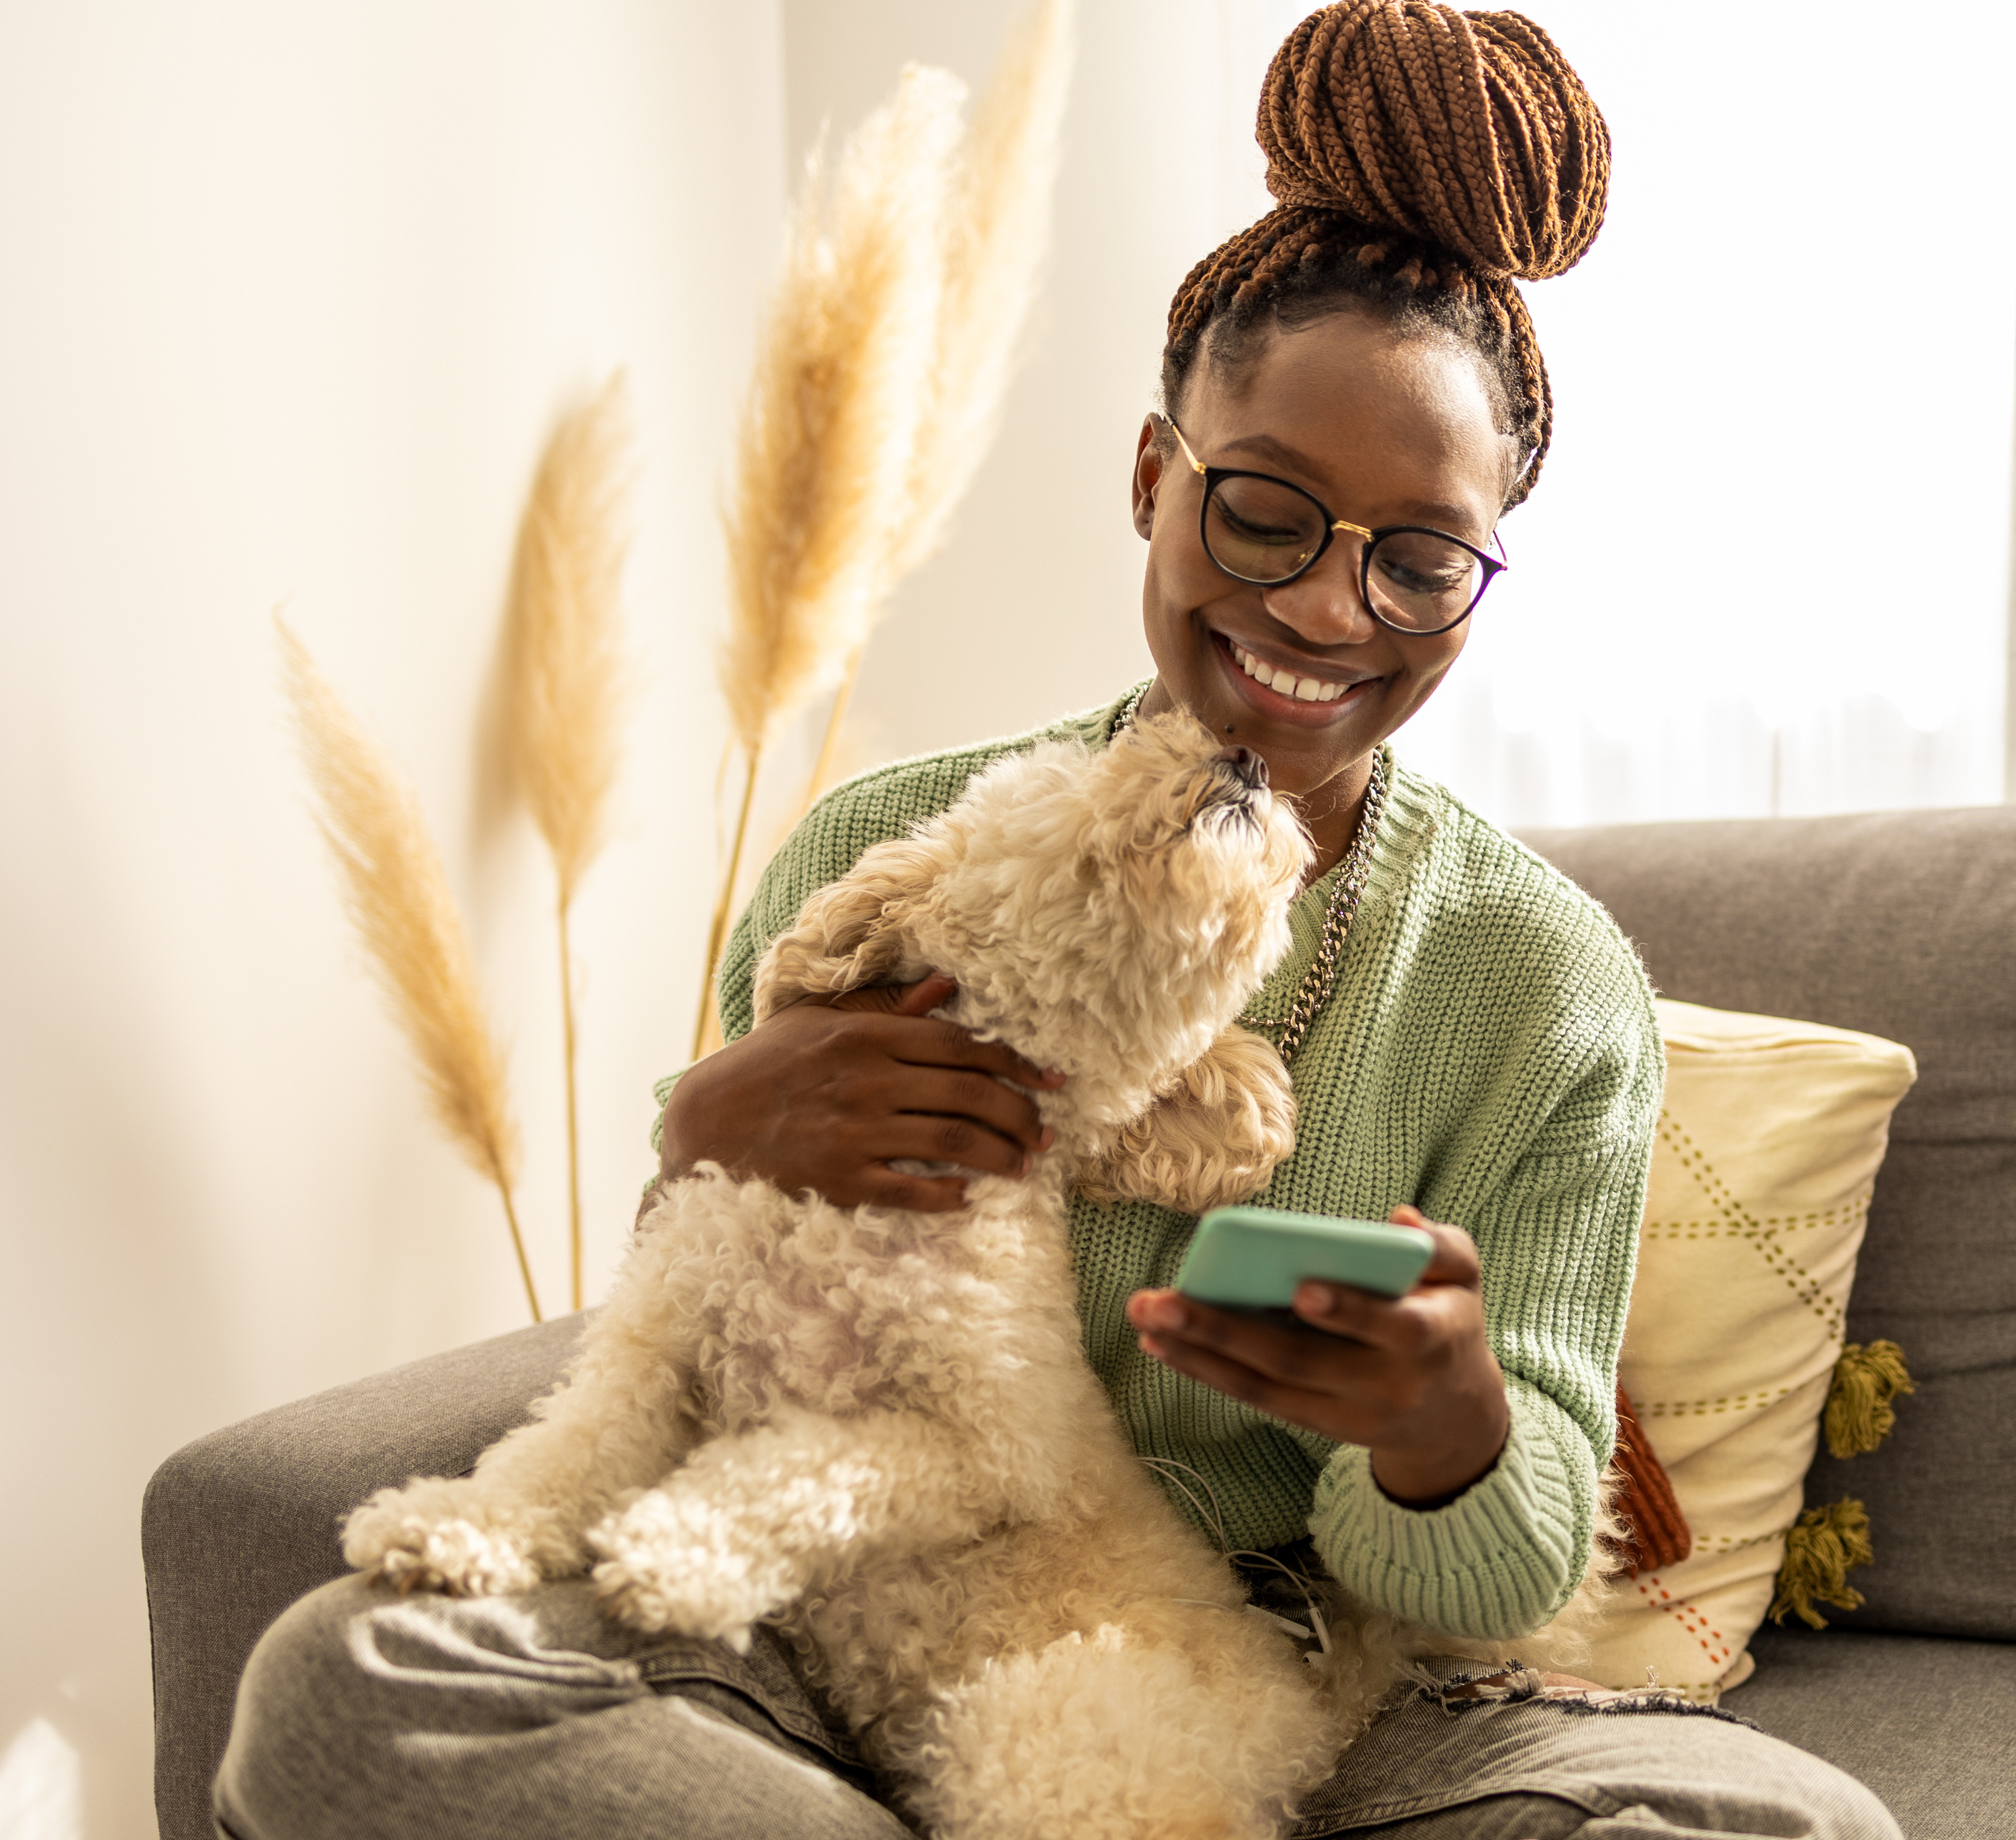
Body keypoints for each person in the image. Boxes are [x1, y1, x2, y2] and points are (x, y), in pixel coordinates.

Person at [215, 4, 1900, 1836]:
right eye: (1265, 512)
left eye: (1419, 554)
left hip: (1292, 1686)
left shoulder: (1547, 984)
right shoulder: (891, 844)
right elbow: (715, 1319)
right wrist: (698, 1128)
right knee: (349, 1678)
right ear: (1155, 479)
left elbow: (1493, 1579)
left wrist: (1442, 1436)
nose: (1330, 609)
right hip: (834, 1620)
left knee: (1788, 1831)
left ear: (1480, 583)